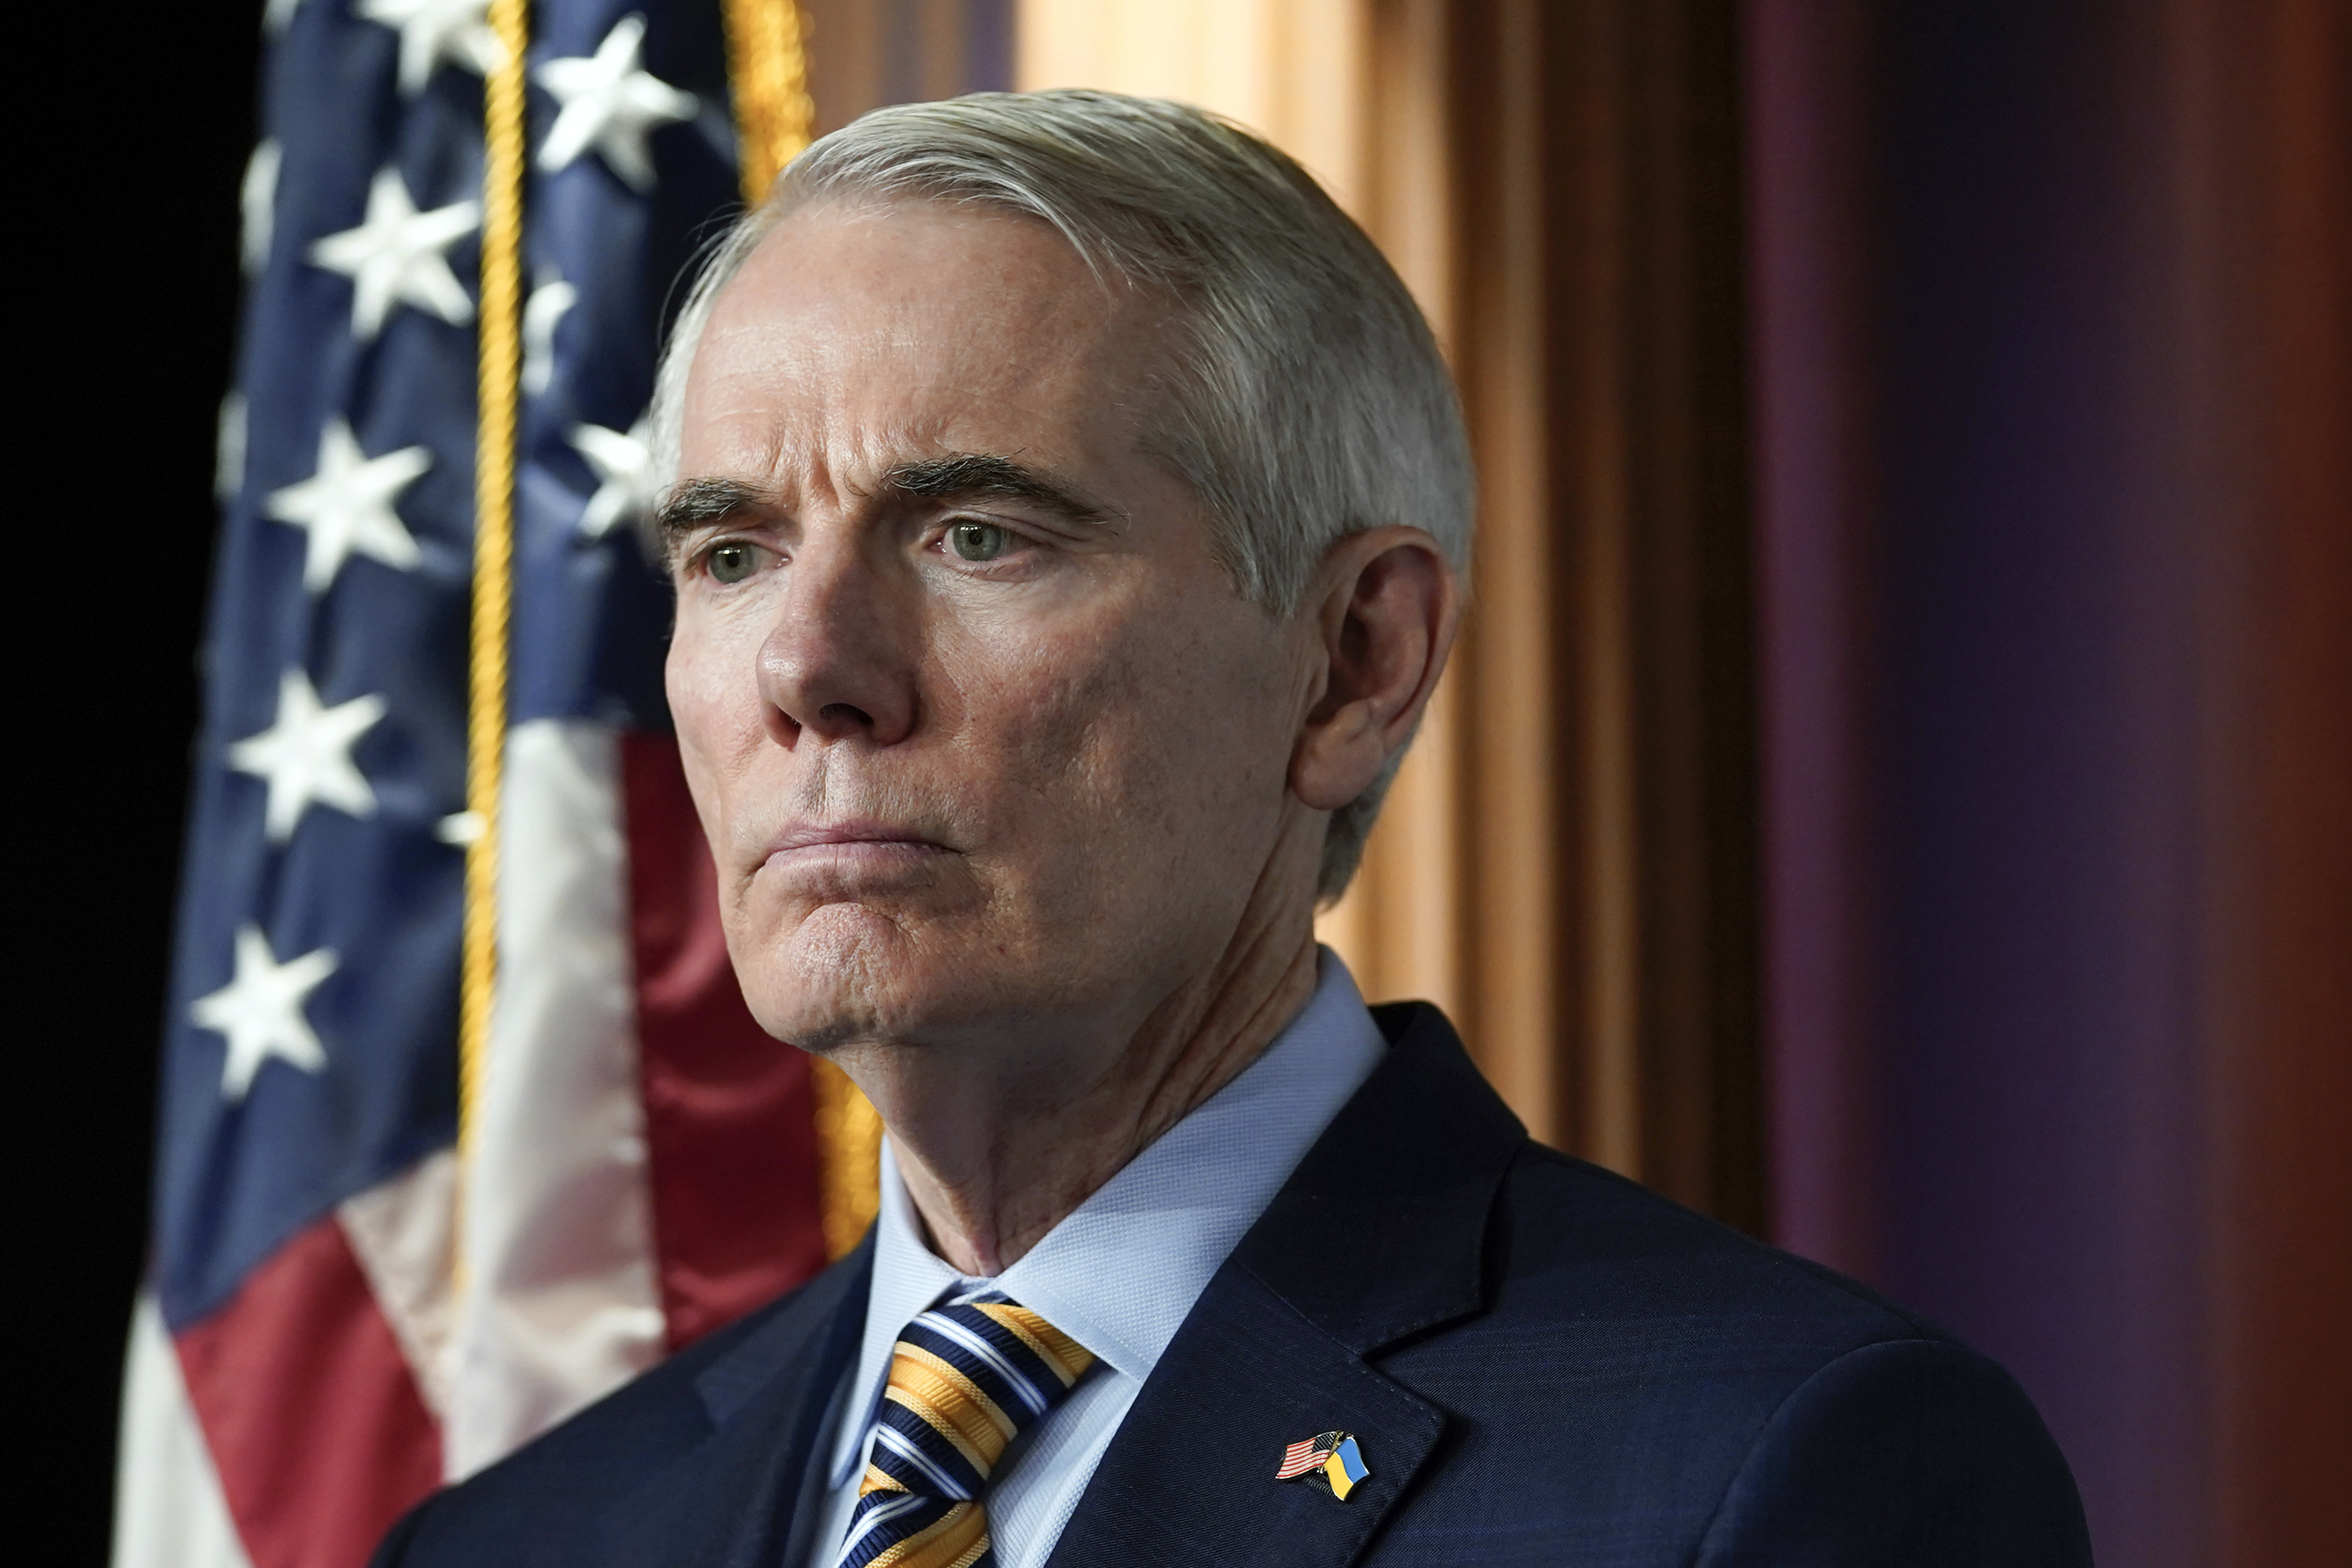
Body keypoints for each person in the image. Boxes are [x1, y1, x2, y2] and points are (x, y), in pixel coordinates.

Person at [376, 90, 2089, 1568]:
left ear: (1354, 663)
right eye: (731, 553)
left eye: (978, 535)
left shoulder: (1765, 1472)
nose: (811, 670)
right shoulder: (527, 1535)